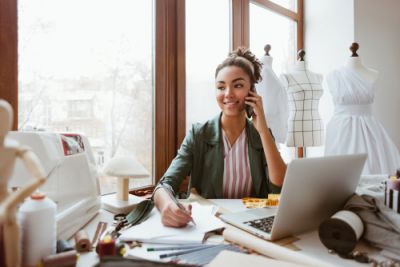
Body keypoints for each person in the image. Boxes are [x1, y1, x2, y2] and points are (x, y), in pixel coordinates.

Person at [153, 48, 287, 227]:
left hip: (250, 224)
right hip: (209, 225)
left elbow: (279, 188)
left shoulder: (261, 134)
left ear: (252, 91)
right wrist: (167, 205)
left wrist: (263, 131)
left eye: (238, 85)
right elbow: (165, 184)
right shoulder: (199, 134)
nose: (228, 94)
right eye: (221, 87)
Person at [0, 99, 47, 267]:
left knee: (12, 226)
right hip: (6, 200)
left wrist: (9, 203)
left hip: (6, 199)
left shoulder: (15, 148)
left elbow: (40, 177)